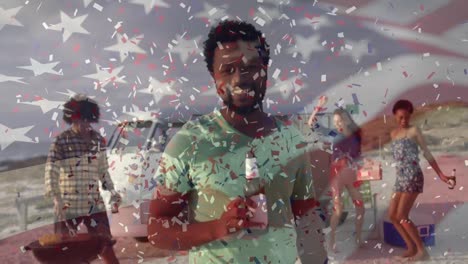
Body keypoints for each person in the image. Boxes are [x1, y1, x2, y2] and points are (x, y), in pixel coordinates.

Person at [147, 20, 328, 264]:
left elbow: (306, 215)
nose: (240, 78)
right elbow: (157, 230)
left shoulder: (291, 139)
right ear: (214, 76)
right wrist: (217, 228)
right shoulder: (189, 141)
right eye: (228, 70)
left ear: (265, 69)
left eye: (251, 66)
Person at [45, 94, 121, 264]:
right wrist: (56, 198)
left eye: (85, 120)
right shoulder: (61, 141)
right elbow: (51, 170)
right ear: (72, 119)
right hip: (68, 201)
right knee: (65, 248)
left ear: (91, 119)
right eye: (77, 121)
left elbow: (103, 171)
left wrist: (113, 192)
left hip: (93, 201)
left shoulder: (98, 140)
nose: (81, 125)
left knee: (104, 245)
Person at [387, 99, 455, 261]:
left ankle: (421, 251)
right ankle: (410, 247)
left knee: (402, 215)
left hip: (413, 175)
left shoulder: (414, 131)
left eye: (407, 118)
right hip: (401, 177)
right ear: (395, 116)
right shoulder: (393, 134)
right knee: (393, 216)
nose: (404, 121)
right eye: (400, 117)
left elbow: (427, 153)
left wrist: (441, 175)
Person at [308, 96, 365, 252]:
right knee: (338, 210)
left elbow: (359, 156)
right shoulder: (333, 134)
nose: (337, 124)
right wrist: (318, 107)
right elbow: (311, 124)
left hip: (352, 174)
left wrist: (364, 166)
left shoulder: (356, 135)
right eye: (335, 122)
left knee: (361, 208)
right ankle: (332, 241)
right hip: (337, 175)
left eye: (339, 121)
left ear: (347, 120)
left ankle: (358, 238)